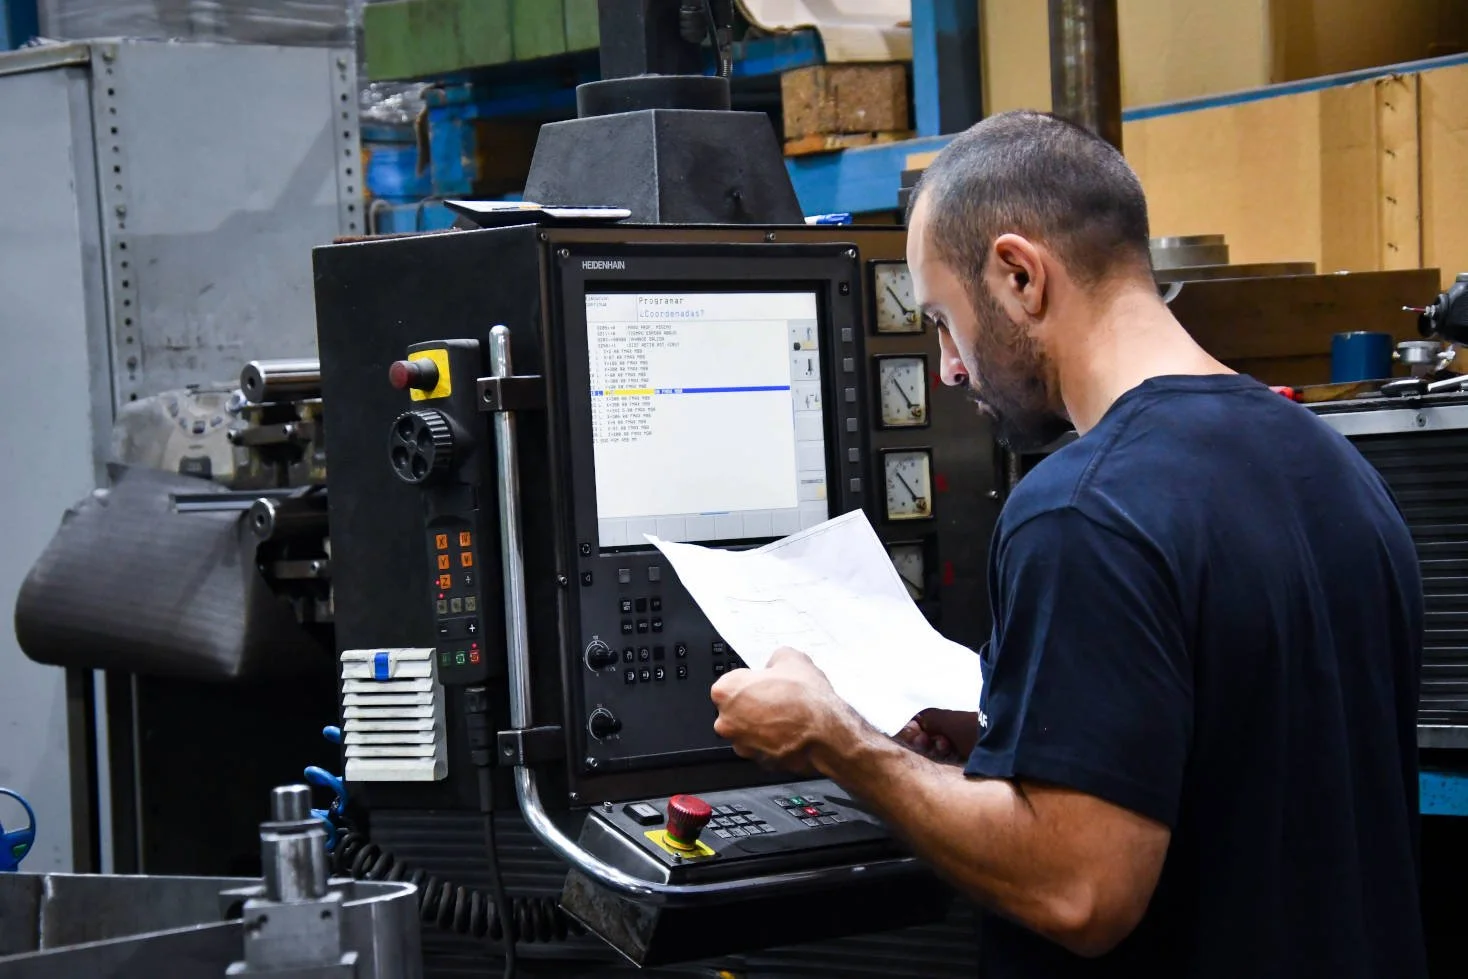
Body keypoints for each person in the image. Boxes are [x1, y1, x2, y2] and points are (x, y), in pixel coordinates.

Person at [709, 110, 1428, 977]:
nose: (947, 366)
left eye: (943, 318)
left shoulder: (1081, 512)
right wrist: (1018, 737)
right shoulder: (1335, 466)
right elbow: (1245, 759)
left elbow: (1079, 890)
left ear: (1020, 275)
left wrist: (836, 739)